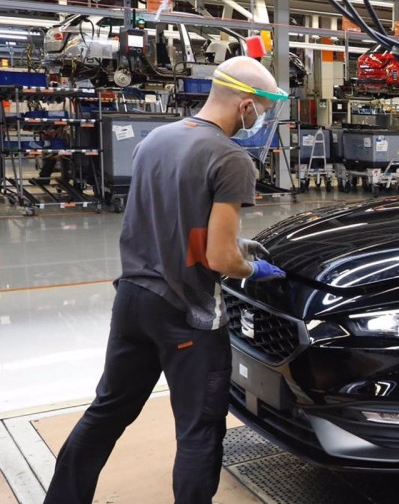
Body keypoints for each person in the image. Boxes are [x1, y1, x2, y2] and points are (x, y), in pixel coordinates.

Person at [44, 56, 289, 504]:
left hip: (133, 300)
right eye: (264, 105)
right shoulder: (231, 158)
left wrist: (238, 244)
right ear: (245, 103)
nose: (263, 116)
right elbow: (219, 257)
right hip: (187, 313)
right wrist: (249, 266)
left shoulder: (156, 139)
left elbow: (173, 220)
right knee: (199, 431)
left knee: (107, 412)